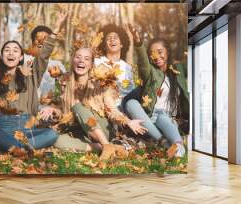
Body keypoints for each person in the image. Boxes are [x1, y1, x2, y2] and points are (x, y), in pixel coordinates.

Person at [0, 12, 68, 153]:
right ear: (2, 56)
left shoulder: (30, 75)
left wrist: (54, 33)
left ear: (21, 56)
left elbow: (43, 56)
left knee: (52, 134)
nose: (11, 53)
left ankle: (11, 147)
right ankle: (19, 147)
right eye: (7, 50)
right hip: (4, 127)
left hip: (28, 128)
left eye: (15, 50)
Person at [42, 47, 147, 160]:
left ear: (91, 64)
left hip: (103, 129)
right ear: (73, 60)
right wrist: (53, 110)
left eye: (86, 59)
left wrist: (126, 121)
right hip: (80, 130)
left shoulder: (100, 84)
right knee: (57, 140)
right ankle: (103, 148)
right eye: (78, 57)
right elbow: (64, 111)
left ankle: (106, 144)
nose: (81, 60)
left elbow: (112, 110)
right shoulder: (65, 82)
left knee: (78, 107)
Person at [122, 24, 189, 158]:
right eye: (152, 54)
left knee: (163, 116)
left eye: (160, 51)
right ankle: (163, 143)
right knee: (131, 104)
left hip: (167, 119)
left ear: (167, 52)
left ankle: (177, 148)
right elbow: (143, 63)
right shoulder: (151, 72)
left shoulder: (179, 69)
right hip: (148, 119)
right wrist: (138, 43)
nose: (156, 56)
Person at [95, 24, 135, 106]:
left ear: (121, 44)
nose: (112, 40)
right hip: (104, 105)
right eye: (108, 38)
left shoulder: (127, 67)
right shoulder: (97, 62)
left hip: (125, 106)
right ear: (104, 46)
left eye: (115, 38)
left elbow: (131, 91)